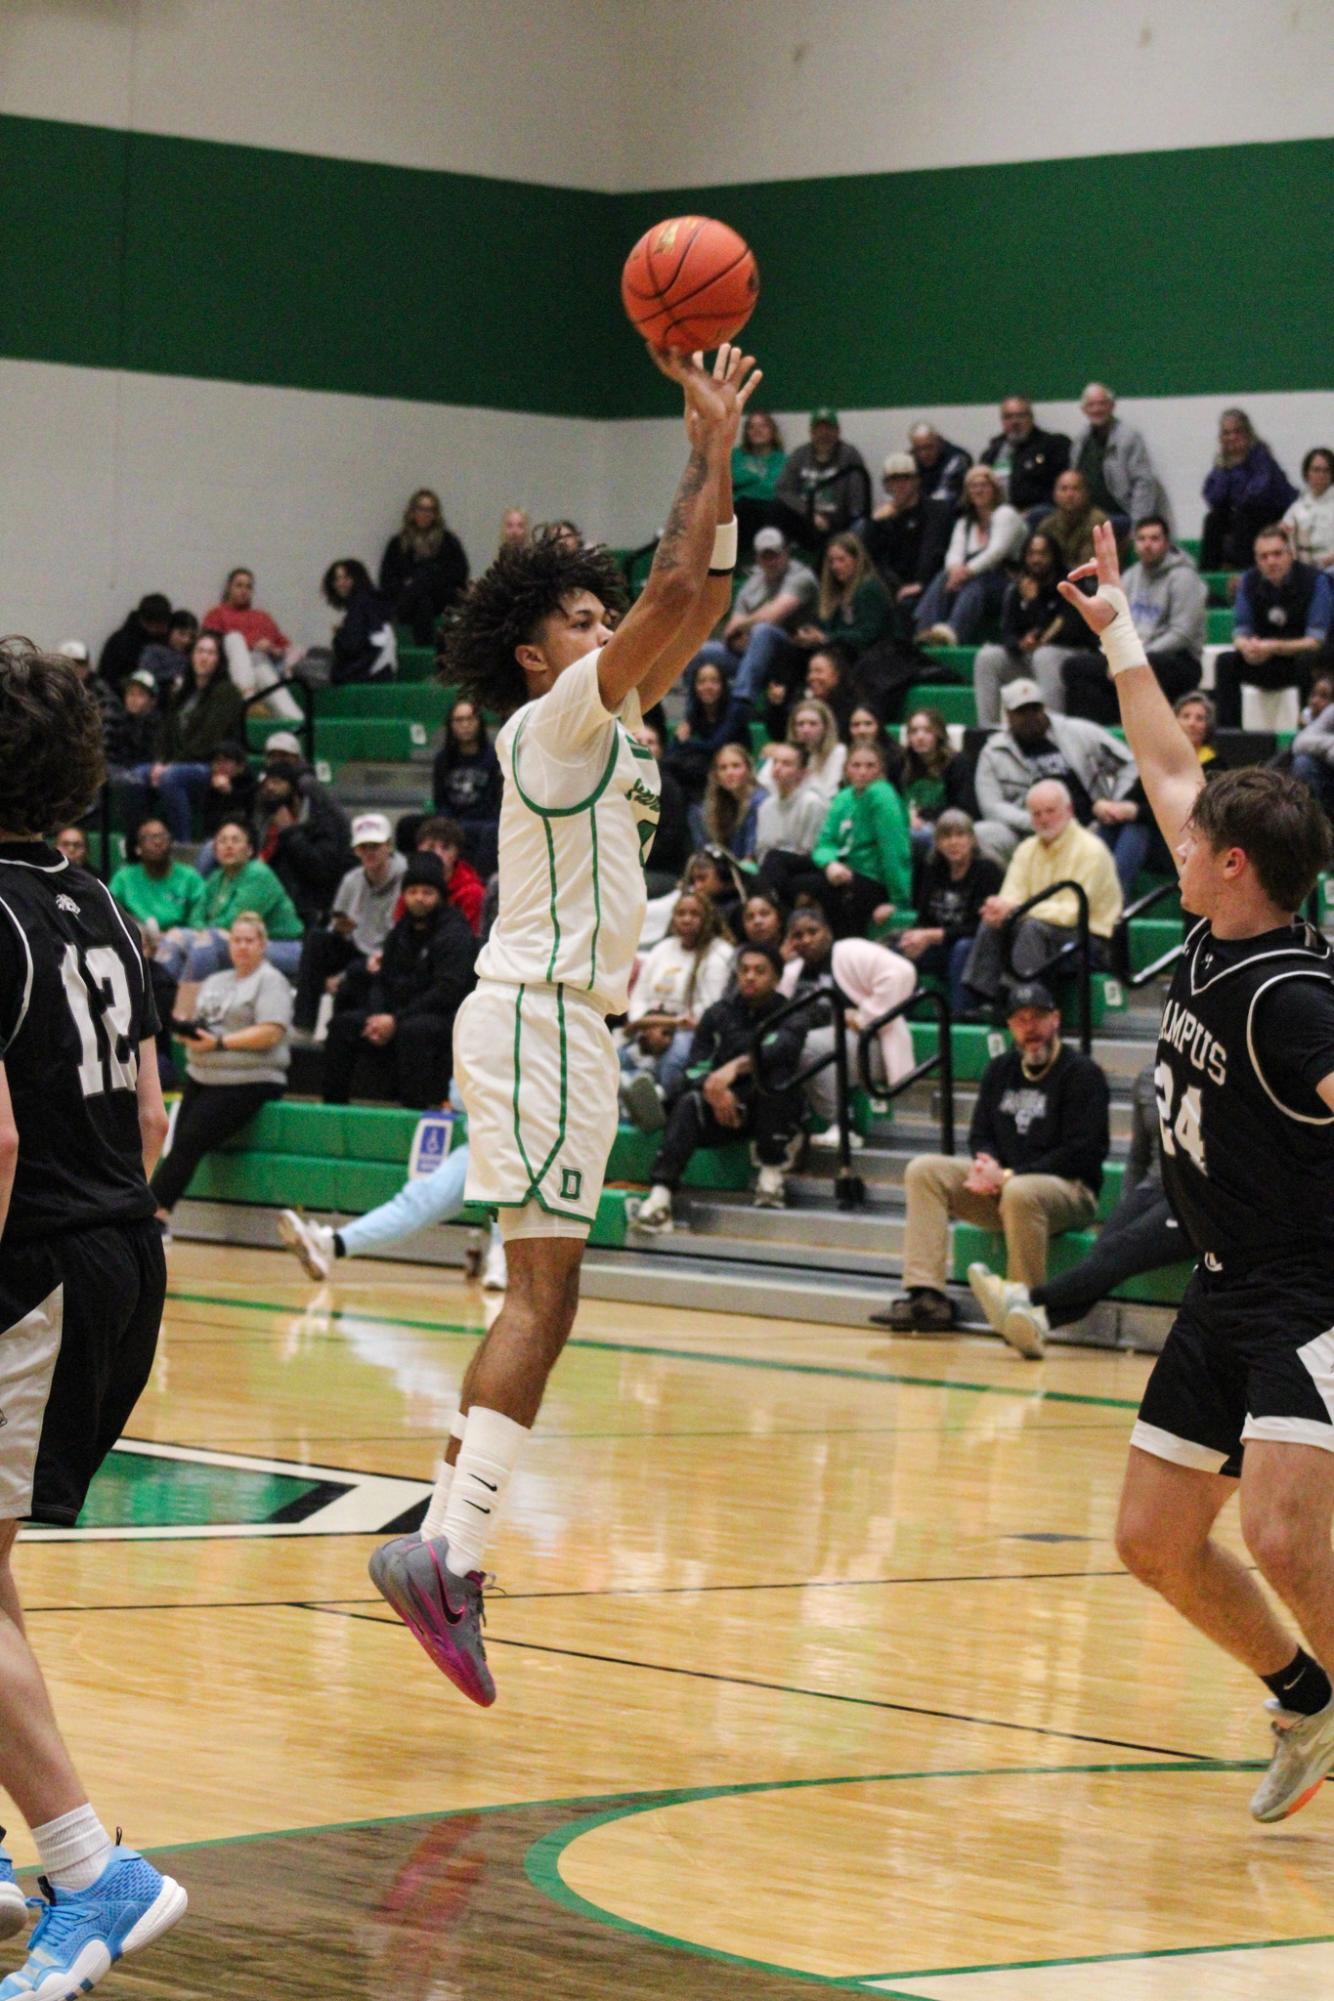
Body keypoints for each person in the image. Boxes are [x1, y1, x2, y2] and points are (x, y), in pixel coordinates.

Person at [365, 340, 762, 1706]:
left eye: (605, 616)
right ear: (537, 651)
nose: (610, 627)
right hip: (537, 1015)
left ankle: (443, 1540)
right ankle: (447, 1553)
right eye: (581, 617)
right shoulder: (554, 724)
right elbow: (670, 587)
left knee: (549, 1290)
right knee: (544, 1292)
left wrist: (717, 464)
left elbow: (697, 597)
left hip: (559, 1024)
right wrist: (698, 453)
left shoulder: (628, 715)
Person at [1056, 516, 1334, 1825]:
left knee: (1281, 1533)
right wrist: (1113, 626)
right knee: (1150, 1541)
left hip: (1311, 1285)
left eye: (1188, 838)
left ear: (1234, 864)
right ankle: (1304, 1697)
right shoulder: (1221, 917)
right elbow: (1171, 758)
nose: (1165, 834)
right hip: (1226, 1283)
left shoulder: (1294, 999)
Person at [0, 639, 186, 1993]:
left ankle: (87, 1866)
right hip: (123, 1250)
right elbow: (152, 1111)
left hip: (35, 1268)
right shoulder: (106, 905)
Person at [874, 980, 1108, 1331]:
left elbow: (1083, 1152)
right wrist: (986, 1164)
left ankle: (1023, 1309)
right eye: (1020, 1020)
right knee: (924, 1169)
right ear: (1010, 1026)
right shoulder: (1000, 1069)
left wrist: (1010, 1177)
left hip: (1070, 1193)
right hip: (1006, 1188)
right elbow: (981, 1133)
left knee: (1020, 1191)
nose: (1030, 1028)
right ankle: (926, 1297)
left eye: (1038, 1018)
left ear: (1056, 1020)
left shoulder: (1082, 1074)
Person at [969, 1063, 1183, 1359]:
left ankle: (1023, 1298)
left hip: (1196, 1197)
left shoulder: (1215, 1078)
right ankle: (1039, 1322)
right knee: (1103, 1253)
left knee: (1117, 1252)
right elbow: (1138, 1158)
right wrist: (1128, 1207)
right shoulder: (1148, 1078)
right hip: (1153, 1188)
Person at [632, 942, 809, 1229]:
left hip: (769, 1111)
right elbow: (696, 1065)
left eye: (760, 971)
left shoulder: (792, 1013)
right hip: (723, 1107)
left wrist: (733, 1068)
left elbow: (782, 1049)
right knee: (690, 1099)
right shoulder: (718, 1013)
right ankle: (660, 1197)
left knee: (776, 1082)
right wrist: (713, 1089)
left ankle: (771, 1174)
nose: (750, 976)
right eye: (745, 970)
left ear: (776, 978)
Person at [150, 914, 292, 1223]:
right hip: (203, 1075)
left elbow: (271, 1031)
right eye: (236, 940)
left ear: (263, 945)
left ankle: (156, 1214)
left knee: (190, 1138)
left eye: (249, 941)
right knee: (177, 1140)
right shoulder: (216, 981)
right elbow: (198, 1021)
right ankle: (152, 1210)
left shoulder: (271, 981)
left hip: (250, 1078)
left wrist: (219, 1043)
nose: (241, 947)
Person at [321, 854, 476, 1108]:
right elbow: (383, 981)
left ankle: (412, 1112)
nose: (419, 898)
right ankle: (333, 1108)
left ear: (439, 895)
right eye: (413, 891)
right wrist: (377, 1017)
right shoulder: (400, 932)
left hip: (442, 1017)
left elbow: (447, 991)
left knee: (414, 1031)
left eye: (427, 892)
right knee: (342, 1025)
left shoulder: (455, 933)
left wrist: (395, 1020)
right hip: (396, 1014)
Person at [961, 779, 1123, 1012]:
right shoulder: (1026, 849)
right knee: (993, 924)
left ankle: (1023, 1003)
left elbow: (1072, 913)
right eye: (1036, 814)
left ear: (1068, 811)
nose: (1044, 819)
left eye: (1050, 811)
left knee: (1032, 928)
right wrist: (999, 910)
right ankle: (978, 999)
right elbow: (1011, 896)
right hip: (1042, 927)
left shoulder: (1091, 850)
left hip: (1091, 937)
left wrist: (1017, 910)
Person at [280, 1131, 508, 1293]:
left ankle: (507, 1261)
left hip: (522, 1147)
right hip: (479, 1145)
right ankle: (331, 1246)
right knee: (418, 1200)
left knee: (510, 1184)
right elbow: (459, 1094)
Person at [778, 908, 915, 1146]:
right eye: (798, 935)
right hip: (825, 1050)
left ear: (828, 932)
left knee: (804, 1046)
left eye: (813, 931)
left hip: (871, 1045)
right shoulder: (792, 972)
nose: (806, 939)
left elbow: (902, 972)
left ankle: (841, 1125)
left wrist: (866, 1016)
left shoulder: (849, 951)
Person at [972, 679, 1136, 864]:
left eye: (1035, 709)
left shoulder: (1078, 732)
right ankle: (1012, 890)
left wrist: (1116, 801)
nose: (1030, 717)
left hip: (1091, 827)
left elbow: (1131, 763)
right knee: (983, 833)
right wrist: (1036, 821)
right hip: (1029, 834)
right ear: (1008, 716)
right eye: (1021, 712)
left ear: (1044, 708)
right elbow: (991, 807)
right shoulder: (993, 751)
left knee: (1135, 824)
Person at [1061, 516, 1206, 724]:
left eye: (1154, 539)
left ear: (1166, 543)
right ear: (1134, 544)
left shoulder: (1184, 577)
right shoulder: (1130, 576)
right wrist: (1116, 655)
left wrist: (1133, 657)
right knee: (1074, 667)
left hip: (1175, 658)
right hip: (1133, 653)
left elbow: (1181, 635)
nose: (1147, 545)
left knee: (1151, 665)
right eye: (1142, 539)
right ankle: (1100, 732)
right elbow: (1115, 621)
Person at [622, 888, 734, 1120]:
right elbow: (638, 997)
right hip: (649, 1025)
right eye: (681, 913)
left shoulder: (719, 954)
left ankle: (661, 1104)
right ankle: (627, 1103)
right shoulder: (662, 949)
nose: (687, 919)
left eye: (694, 914)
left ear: (707, 918)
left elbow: (710, 1011)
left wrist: (667, 1027)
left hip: (690, 1031)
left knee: (677, 1053)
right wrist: (648, 1024)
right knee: (618, 1055)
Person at [161, 816, 304, 997]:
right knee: (175, 938)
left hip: (280, 945)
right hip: (232, 939)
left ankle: (186, 1011)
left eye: (235, 840)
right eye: (222, 841)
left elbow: (235, 923)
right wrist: (198, 930)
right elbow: (196, 915)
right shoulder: (216, 877)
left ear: (249, 849)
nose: (228, 846)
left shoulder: (258, 874)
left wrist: (203, 932)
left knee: (207, 942)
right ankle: (159, 1005)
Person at [292, 814, 407, 1033]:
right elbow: (336, 928)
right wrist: (339, 929)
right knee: (317, 939)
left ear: (389, 846)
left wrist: (342, 976)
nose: (369, 852)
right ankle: (303, 1023)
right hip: (356, 946)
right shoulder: (351, 880)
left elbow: (401, 934)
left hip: (387, 952)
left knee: (358, 971)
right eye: (363, 847)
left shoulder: (405, 878)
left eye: (375, 846)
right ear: (356, 850)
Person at [1213, 525, 1334, 728]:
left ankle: (1307, 733)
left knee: (1309, 662)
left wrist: (1272, 646)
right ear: (1257, 559)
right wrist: (1247, 647)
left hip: (1299, 659)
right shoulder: (1248, 581)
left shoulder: (1315, 581)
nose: (1271, 561)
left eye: (1277, 554)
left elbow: (1315, 640)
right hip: (1265, 657)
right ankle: (1229, 739)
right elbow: (1240, 631)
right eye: (1264, 556)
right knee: (1226, 662)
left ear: (1290, 554)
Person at [791, 741, 912, 937]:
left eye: (870, 766)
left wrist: (898, 902)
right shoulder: (844, 797)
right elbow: (825, 842)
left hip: (871, 880)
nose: (862, 772)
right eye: (856, 766)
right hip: (843, 871)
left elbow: (895, 851)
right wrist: (829, 863)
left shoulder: (882, 795)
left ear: (881, 769)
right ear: (846, 769)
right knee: (778, 861)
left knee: (808, 886)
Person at [687, 527, 820, 705]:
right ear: (757, 558)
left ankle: (741, 702)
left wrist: (745, 626)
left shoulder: (801, 577)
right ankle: (693, 715)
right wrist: (741, 633)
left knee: (763, 631)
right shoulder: (752, 584)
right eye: (765, 556)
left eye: (775, 555)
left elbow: (772, 616)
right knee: (700, 652)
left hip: (792, 654)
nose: (771, 561)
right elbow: (730, 633)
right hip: (750, 653)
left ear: (786, 553)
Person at [973, 531, 1089, 723]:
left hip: (1067, 657)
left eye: (1042, 554)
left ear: (1054, 556)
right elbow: (1008, 634)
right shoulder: (1016, 588)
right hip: (1031, 657)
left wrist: (1034, 603)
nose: (1036, 560)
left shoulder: (1070, 586)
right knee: (987, 657)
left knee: (1045, 655)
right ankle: (987, 731)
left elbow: (1068, 634)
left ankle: (1053, 729)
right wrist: (1019, 644)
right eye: (1031, 554)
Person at [896, 809, 1004, 1014]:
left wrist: (933, 935)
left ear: (972, 840)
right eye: (946, 836)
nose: (953, 842)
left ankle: (960, 1019)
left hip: (977, 947)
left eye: (960, 835)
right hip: (941, 944)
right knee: (899, 949)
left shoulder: (987, 870)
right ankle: (899, 1020)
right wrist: (915, 937)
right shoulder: (932, 868)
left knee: (963, 948)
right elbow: (924, 917)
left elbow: (980, 927)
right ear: (937, 842)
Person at [149, 629, 247, 840]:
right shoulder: (184, 692)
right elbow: (165, 732)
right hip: (177, 762)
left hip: (209, 764)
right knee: (133, 777)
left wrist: (170, 764)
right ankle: (139, 844)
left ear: (219, 660)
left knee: (170, 777)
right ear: (192, 656)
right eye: (200, 651)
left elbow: (209, 739)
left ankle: (182, 843)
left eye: (211, 653)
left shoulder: (226, 692)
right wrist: (159, 761)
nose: (204, 657)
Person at [914, 466, 1025, 645]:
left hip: (1004, 579)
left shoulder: (1006, 515)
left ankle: (952, 633)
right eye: (973, 486)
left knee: (975, 583)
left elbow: (995, 553)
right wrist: (955, 571)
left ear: (995, 489)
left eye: (984, 485)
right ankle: (924, 629)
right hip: (971, 576)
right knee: (944, 575)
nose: (978, 490)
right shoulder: (964, 522)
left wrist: (965, 572)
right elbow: (954, 554)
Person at [254, 768, 353, 927]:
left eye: (277, 782)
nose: (270, 788)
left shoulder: (324, 822)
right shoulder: (265, 820)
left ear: (295, 795)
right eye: (266, 783)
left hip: (310, 910)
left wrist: (289, 833)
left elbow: (320, 870)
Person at [1201, 410, 1298, 571]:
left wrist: (1237, 468)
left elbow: (1257, 494)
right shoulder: (1222, 461)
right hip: (1244, 513)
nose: (1232, 437)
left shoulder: (1261, 455)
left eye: (1237, 432)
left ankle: (1244, 572)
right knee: (1213, 519)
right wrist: (1226, 469)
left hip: (1275, 513)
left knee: (1243, 516)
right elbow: (1213, 498)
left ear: (1247, 433)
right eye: (1226, 433)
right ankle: (1208, 574)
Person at [1070, 382, 1169, 535]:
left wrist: (1139, 525)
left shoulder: (1129, 438)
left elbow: (1143, 482)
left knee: (1094, 526)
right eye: (1091, 405)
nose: (1097, 409)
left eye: (1102, 404)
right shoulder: (1080, 441)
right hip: (1085, 515)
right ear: (1084, 409)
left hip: (1121, 515)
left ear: (1112, 406)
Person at [859, 453, 953, 610]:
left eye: (906, 479)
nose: (900, 485)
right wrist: (874, 524)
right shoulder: (883, 516)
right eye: (894, 480)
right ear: (887, 486)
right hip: (891, 582)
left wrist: (921, 583)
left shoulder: (937, 510)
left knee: (906, 604)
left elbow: (933, 552)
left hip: (926, 582)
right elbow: (867, 557)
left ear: (917, 481)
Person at [378, 489, 469, 645]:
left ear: (435, 514)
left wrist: (428, 580)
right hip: (409, 599)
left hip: (440, 598)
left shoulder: (448, 541)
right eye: (421, 509)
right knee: (423, 602)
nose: (425, 514)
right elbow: (386, 579)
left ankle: (403, 618)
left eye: (430, 510)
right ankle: (425, 644)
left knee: (426, 576)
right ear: (412, 512)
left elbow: (459, 573)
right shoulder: (397, 543)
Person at [774, 408, 871, 547]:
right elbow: (783, 490)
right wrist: (809, 513)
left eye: (829, 429)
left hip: (837, 522)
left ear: (838, 431)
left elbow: (857, 500)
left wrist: (839, 523)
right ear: (811, 432)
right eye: (819, 429)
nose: (823, 434)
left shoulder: (849, 455)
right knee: (776, 508)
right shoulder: (800, 454)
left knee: (861, 524)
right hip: (807, 519)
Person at [432, 696, 503, 877]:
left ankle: (479, 882)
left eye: (470, 719)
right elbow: (440, 800)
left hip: (485, 821)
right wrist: (448, 822)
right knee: (410, 825)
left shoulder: (495, 758)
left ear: (479, 722)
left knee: (488, 832)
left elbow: (497, 801)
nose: (465, 725)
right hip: (453, 820)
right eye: (459, 720)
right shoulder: (443, 759)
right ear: (451, 725)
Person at [665, 656, 751, 804]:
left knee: (692, 767)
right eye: (702, 682)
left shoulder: (736, 709)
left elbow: (715, 745)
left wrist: (686, 742)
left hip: (734, 762)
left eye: (714, 681)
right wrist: (680, 740)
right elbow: (676, 747)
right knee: (670, 766)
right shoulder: (695, 711)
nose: (707, 686)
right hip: (710, 762)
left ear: (723, 685)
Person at [899, 706, 977, 855]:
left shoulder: (957, 763)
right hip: (906, 823)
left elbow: (963, 808)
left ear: (939, 734)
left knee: (917, 837)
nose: (920, 737)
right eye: (914, 731)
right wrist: (906, 816)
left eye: (927, 731)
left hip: (946, 826)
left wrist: (922, 815)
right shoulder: (901, 762)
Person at [110, 819, 206, 936]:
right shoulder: (124, 878)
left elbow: (199, 923)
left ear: (171, 842)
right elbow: (109, 911)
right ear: (138, 848)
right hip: (138, 939)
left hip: (180, 942)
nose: (157, 842)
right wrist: (135, 927)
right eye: (149, 838)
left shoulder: (190, 878)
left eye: (163, 837)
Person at [978, 397, 1070, 514]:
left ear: (1031, 418)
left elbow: (1059, 489)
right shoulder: (992, 453)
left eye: (1020, 416)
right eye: (1008, 417)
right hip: (999, 514)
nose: (1014, 422)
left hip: (1038, 513)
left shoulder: (1051, 446)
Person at [103, 667, 163, 828]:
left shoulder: (159, 724)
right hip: (117, 767)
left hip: (144, 770)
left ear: (152, 700)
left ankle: (138, 832)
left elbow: (158, 754)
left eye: (140, 695)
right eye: (130, 693)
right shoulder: (115, 719)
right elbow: (107, 752)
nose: (133, 699)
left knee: (133, 779)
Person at [321, 560, 397, 682]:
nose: (340, 583)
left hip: (374, 674)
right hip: (381, 670)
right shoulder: (368, 601)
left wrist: (340, 635)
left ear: (357, 578)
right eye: (336, 579)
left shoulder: (361, 604)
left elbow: (355, 646)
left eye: (346, 578)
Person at [754, 740, 824, 868]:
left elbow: (809, 851)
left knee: (774, 858)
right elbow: (762, 849)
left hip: (805, 870)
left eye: (786, 764)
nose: (777, 768)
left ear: (802, 773)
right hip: (773, 869)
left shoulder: (811, 803)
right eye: (775, 762)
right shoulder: (766, 806)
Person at [412, 816, 487, 936]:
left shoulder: (472, 893)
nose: (438, 854)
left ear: (456, 853)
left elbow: (467, 940)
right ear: (419, 850)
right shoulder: (412, 885)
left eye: (446, 848)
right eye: (431, 847)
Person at [730, 409, 787, 547]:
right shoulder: (736, 455)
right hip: (739, 512)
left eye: (763, 426)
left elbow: (772, 489)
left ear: (772, 431)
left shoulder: (781, 459)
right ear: (746, 432)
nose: (757, 430)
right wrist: (756, 478)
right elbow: (727, 481)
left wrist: (745, 481)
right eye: (752, 426)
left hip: (769, 512)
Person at [700, 743, 766, 858]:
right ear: (716, 775)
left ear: (748, 769)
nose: (729, 773)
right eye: (723, 768)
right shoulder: (716, 802)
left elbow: (751, 855)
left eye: (736, 766)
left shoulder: (759, 802)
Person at [1036, 468, 1109, 572]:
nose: (1069, 495)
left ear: (1086, 493)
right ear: (1055, 494)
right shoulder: (1047, 524)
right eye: (1064, 489)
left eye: (1075, 489)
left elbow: (1088, 566)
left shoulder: (1097, 521)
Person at [97, 591, 172, 691]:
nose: (165, 629)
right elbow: (110, 678)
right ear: (148, 623)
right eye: (160, 625)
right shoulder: (122, 643)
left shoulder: (165, 640)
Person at [1282, 447, 1334, 571]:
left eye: (1326, 471)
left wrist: (1324, 563)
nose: (1321, 475)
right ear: (1307, 473)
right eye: (1316, 470)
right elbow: (1284, 537)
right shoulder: (1297, 507)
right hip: (1303, 568)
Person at [908, 423, 972, 507]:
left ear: (939, 442)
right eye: (918, 449)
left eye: (928, 447)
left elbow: (943, 497)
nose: (923, 454)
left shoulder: (957, 458)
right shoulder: (909, 461)